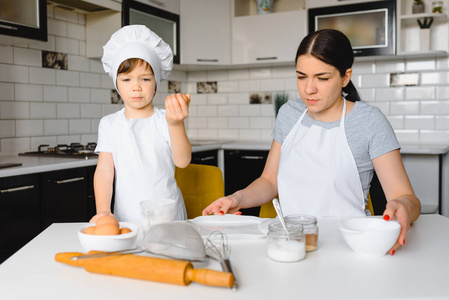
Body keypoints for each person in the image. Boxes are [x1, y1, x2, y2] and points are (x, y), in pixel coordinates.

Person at [203, 29, 421, 255]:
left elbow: (405, 197)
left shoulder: (368, 121)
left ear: (345, 77)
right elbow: (269, 181)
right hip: (291, 243)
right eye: (301, 76)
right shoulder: (289, 113)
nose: (309, 89)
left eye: (322, 78)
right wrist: (236, 198)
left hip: (349, 247)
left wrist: (403, 207)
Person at [90, 25, 191, 224]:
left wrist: (176, 124)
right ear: (116, 84)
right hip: (126, 217)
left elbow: (183, 161)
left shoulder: (166, 119)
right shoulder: (109, 124)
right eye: (126, 79)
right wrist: (103, 211)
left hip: (168, 217)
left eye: (145, 79)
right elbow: (104, 171)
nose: (136, 86)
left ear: (156, 83)